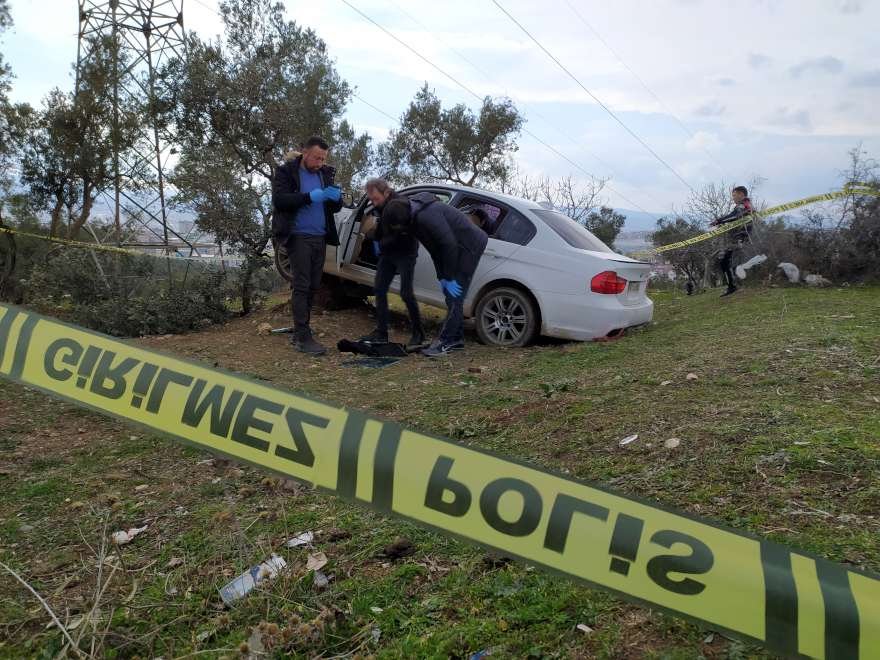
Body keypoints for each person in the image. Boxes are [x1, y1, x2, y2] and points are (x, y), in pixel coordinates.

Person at [381, 193, 488, 358]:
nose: (400, 231)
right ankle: (457, 338)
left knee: (455, 295)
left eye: (398, 227)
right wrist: (442, 276)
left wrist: (450, 277)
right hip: (454, 245)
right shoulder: (413, 217)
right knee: (449, 293)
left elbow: (449, 245)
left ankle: (447, 342)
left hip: (470, 244)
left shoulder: (427, 216)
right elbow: (435, 249)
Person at [271, 136, 343, 355]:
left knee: (313, 285)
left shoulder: (324, 174)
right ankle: (302, 337)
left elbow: (335, 208)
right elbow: (280, 200)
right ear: (304, 152)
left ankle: (301, 328)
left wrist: (336, 198)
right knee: (302, 285)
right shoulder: (286, 172)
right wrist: (309, 197)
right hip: (298, 236)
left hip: (319, 236)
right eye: (316, 158)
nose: (320, 162)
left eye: (323, 158)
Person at [358, 179, 425, 349]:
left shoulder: (399, 205)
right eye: (371, 200)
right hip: (388, 254)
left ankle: (418, 334)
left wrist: (381, 240)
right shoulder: (383, 206)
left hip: (405, 253)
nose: (374, 203)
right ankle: (381, 333)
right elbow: (383, 230)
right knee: (379, 289)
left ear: (386, 193)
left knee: (406, 293)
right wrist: (371, 234)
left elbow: (400, 234)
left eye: (375, 198)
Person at [710, 185, 753, 297]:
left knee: (726, 262)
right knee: (725, 262)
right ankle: (732, 286)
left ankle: (733, 286)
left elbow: (734, 216)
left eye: (734, 195)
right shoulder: (745, 205)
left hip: (741, 239)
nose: (733, 198)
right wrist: (723, 224)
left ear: (741, 195)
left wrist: (718, 221)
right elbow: (735, 218)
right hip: (738, 238)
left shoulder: (743, 205)